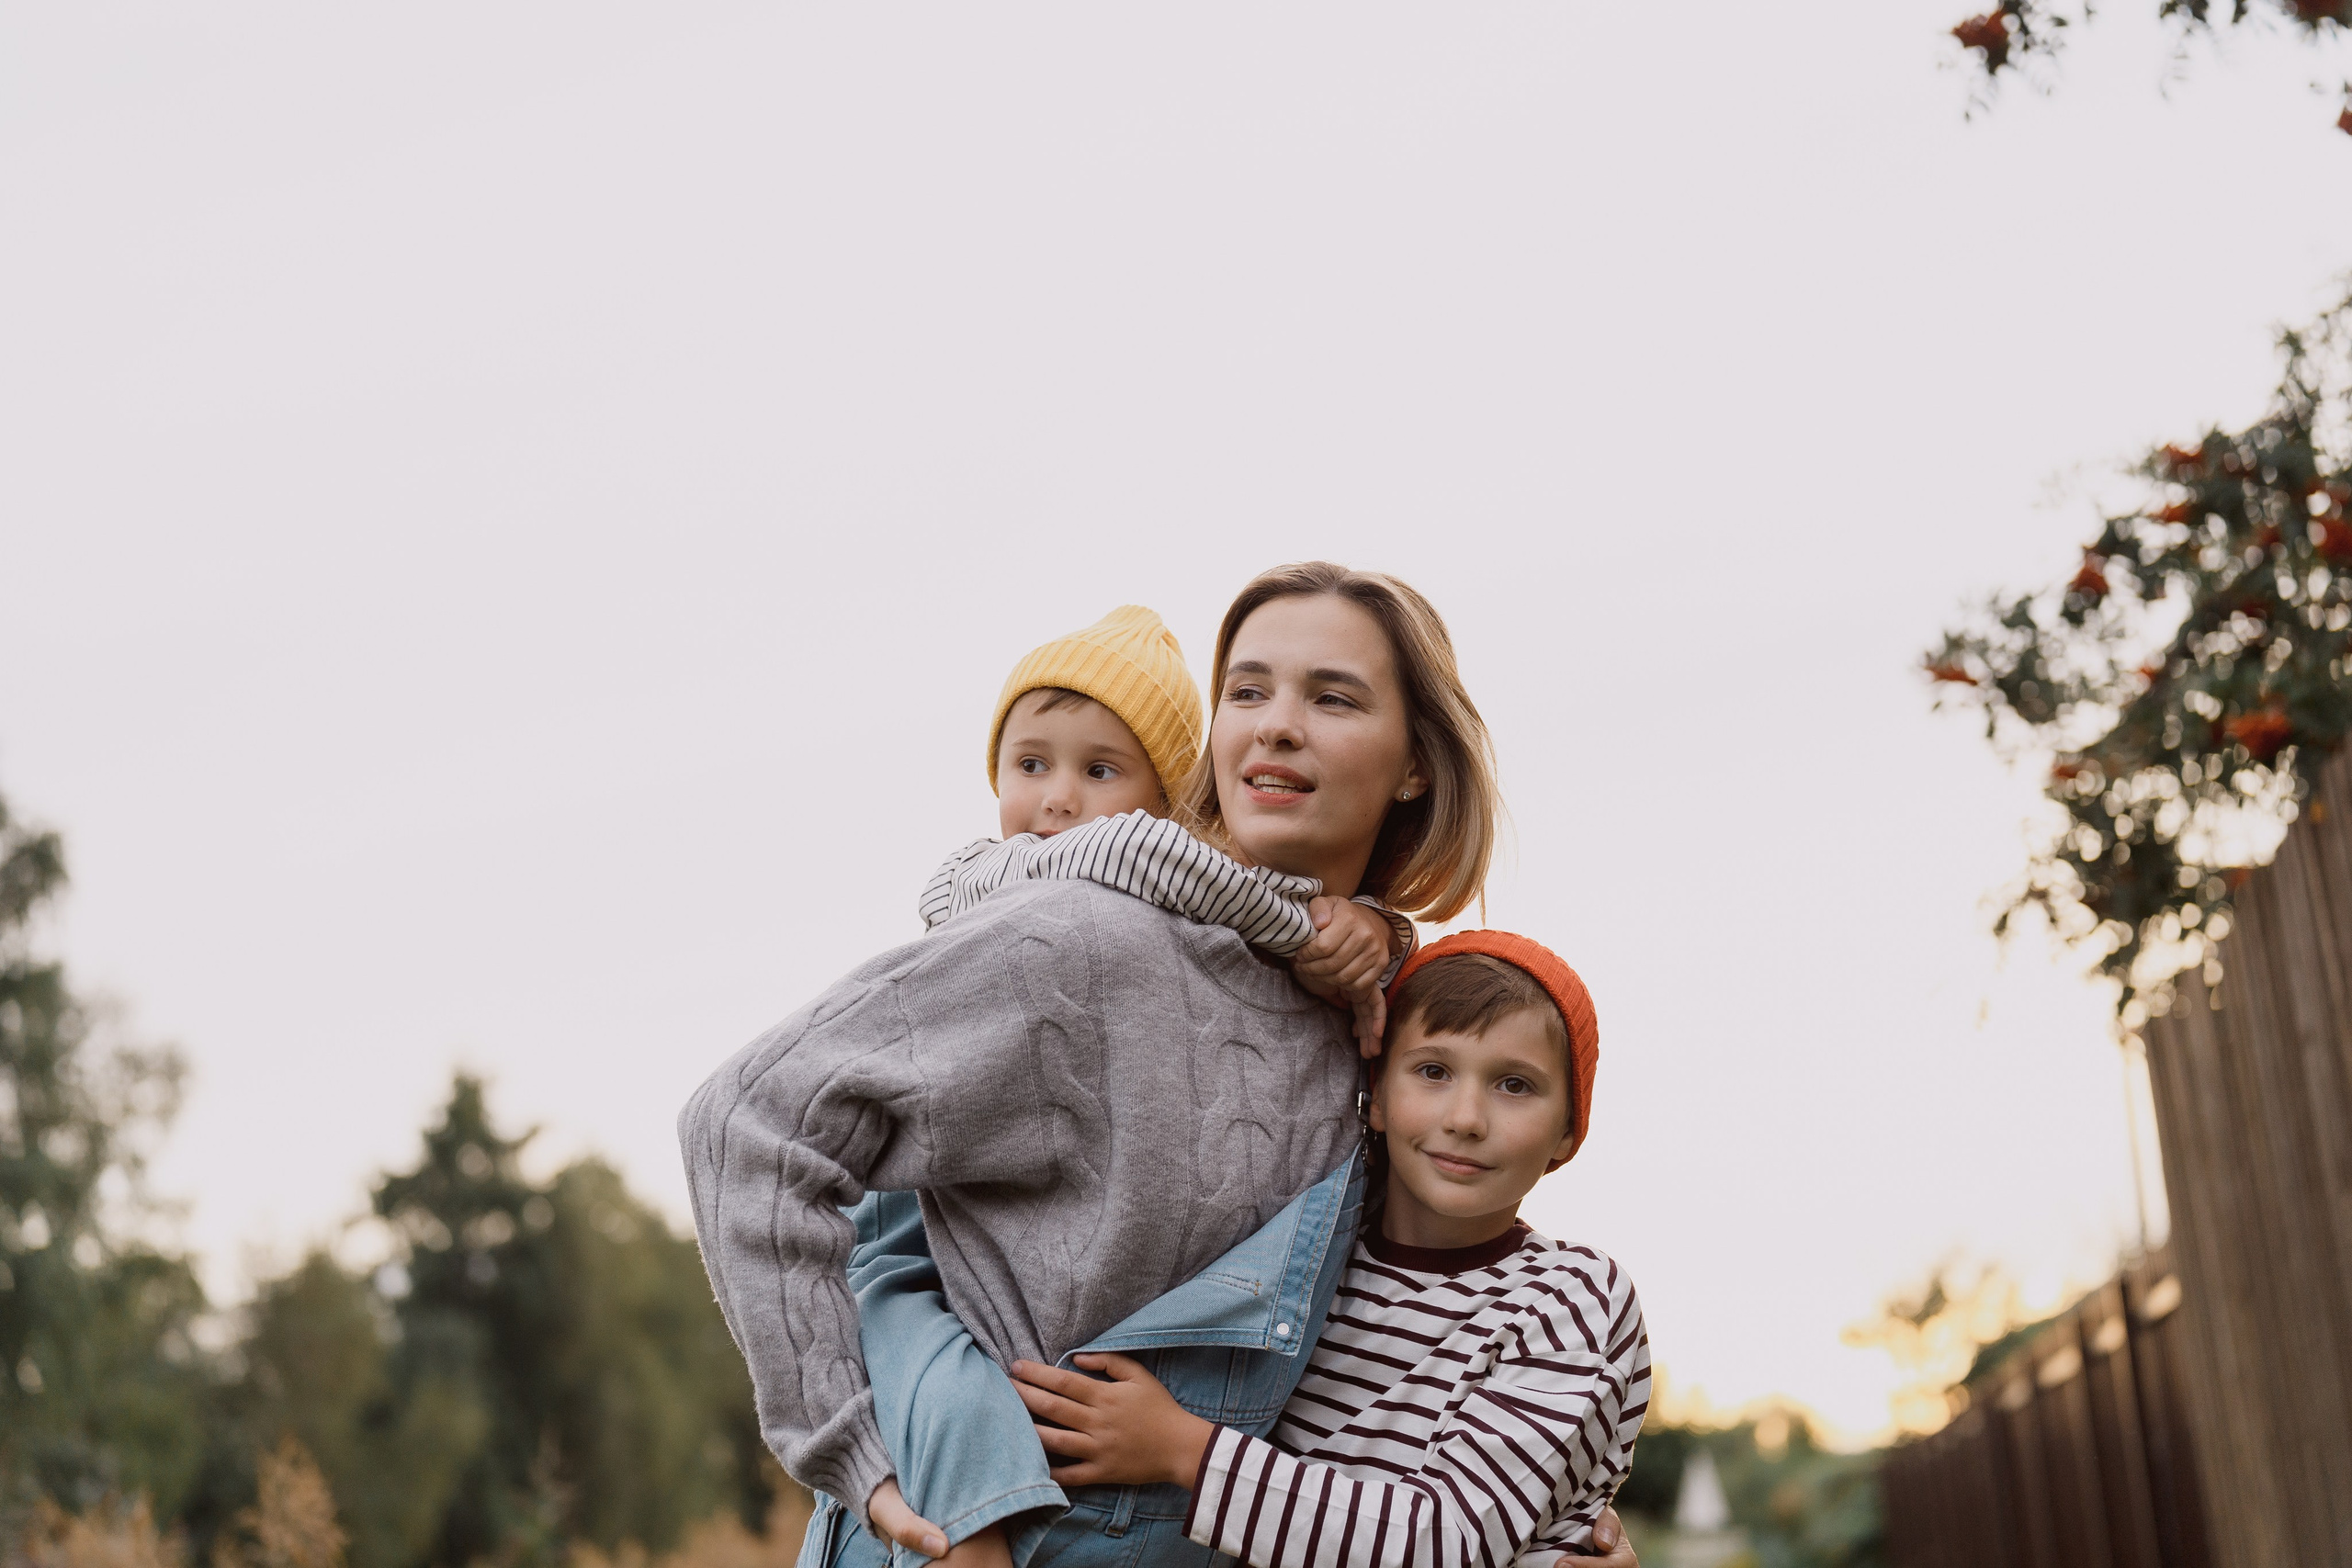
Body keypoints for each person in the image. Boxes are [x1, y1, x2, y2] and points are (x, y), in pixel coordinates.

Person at [684, 565, 1641, 1568]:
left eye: (1332, 696)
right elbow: (747, 1122)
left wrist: (1552, 1544)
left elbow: (1381, 1366)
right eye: (1247, 690)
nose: (1274, 725)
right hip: (960, 1541)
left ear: (1414, 766)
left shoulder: (1375, 1023)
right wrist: (857, 1457)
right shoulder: (1087, 942)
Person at [1006, 931, 1650, 1566]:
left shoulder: (1572, 1296)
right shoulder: (1300, 1257)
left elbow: (1447, 1540)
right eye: (1433, 1070)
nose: (1466, 1117)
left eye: (1515, 1084)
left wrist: (1183, 1449)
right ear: (1377, 1094)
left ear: (1568, 1128)